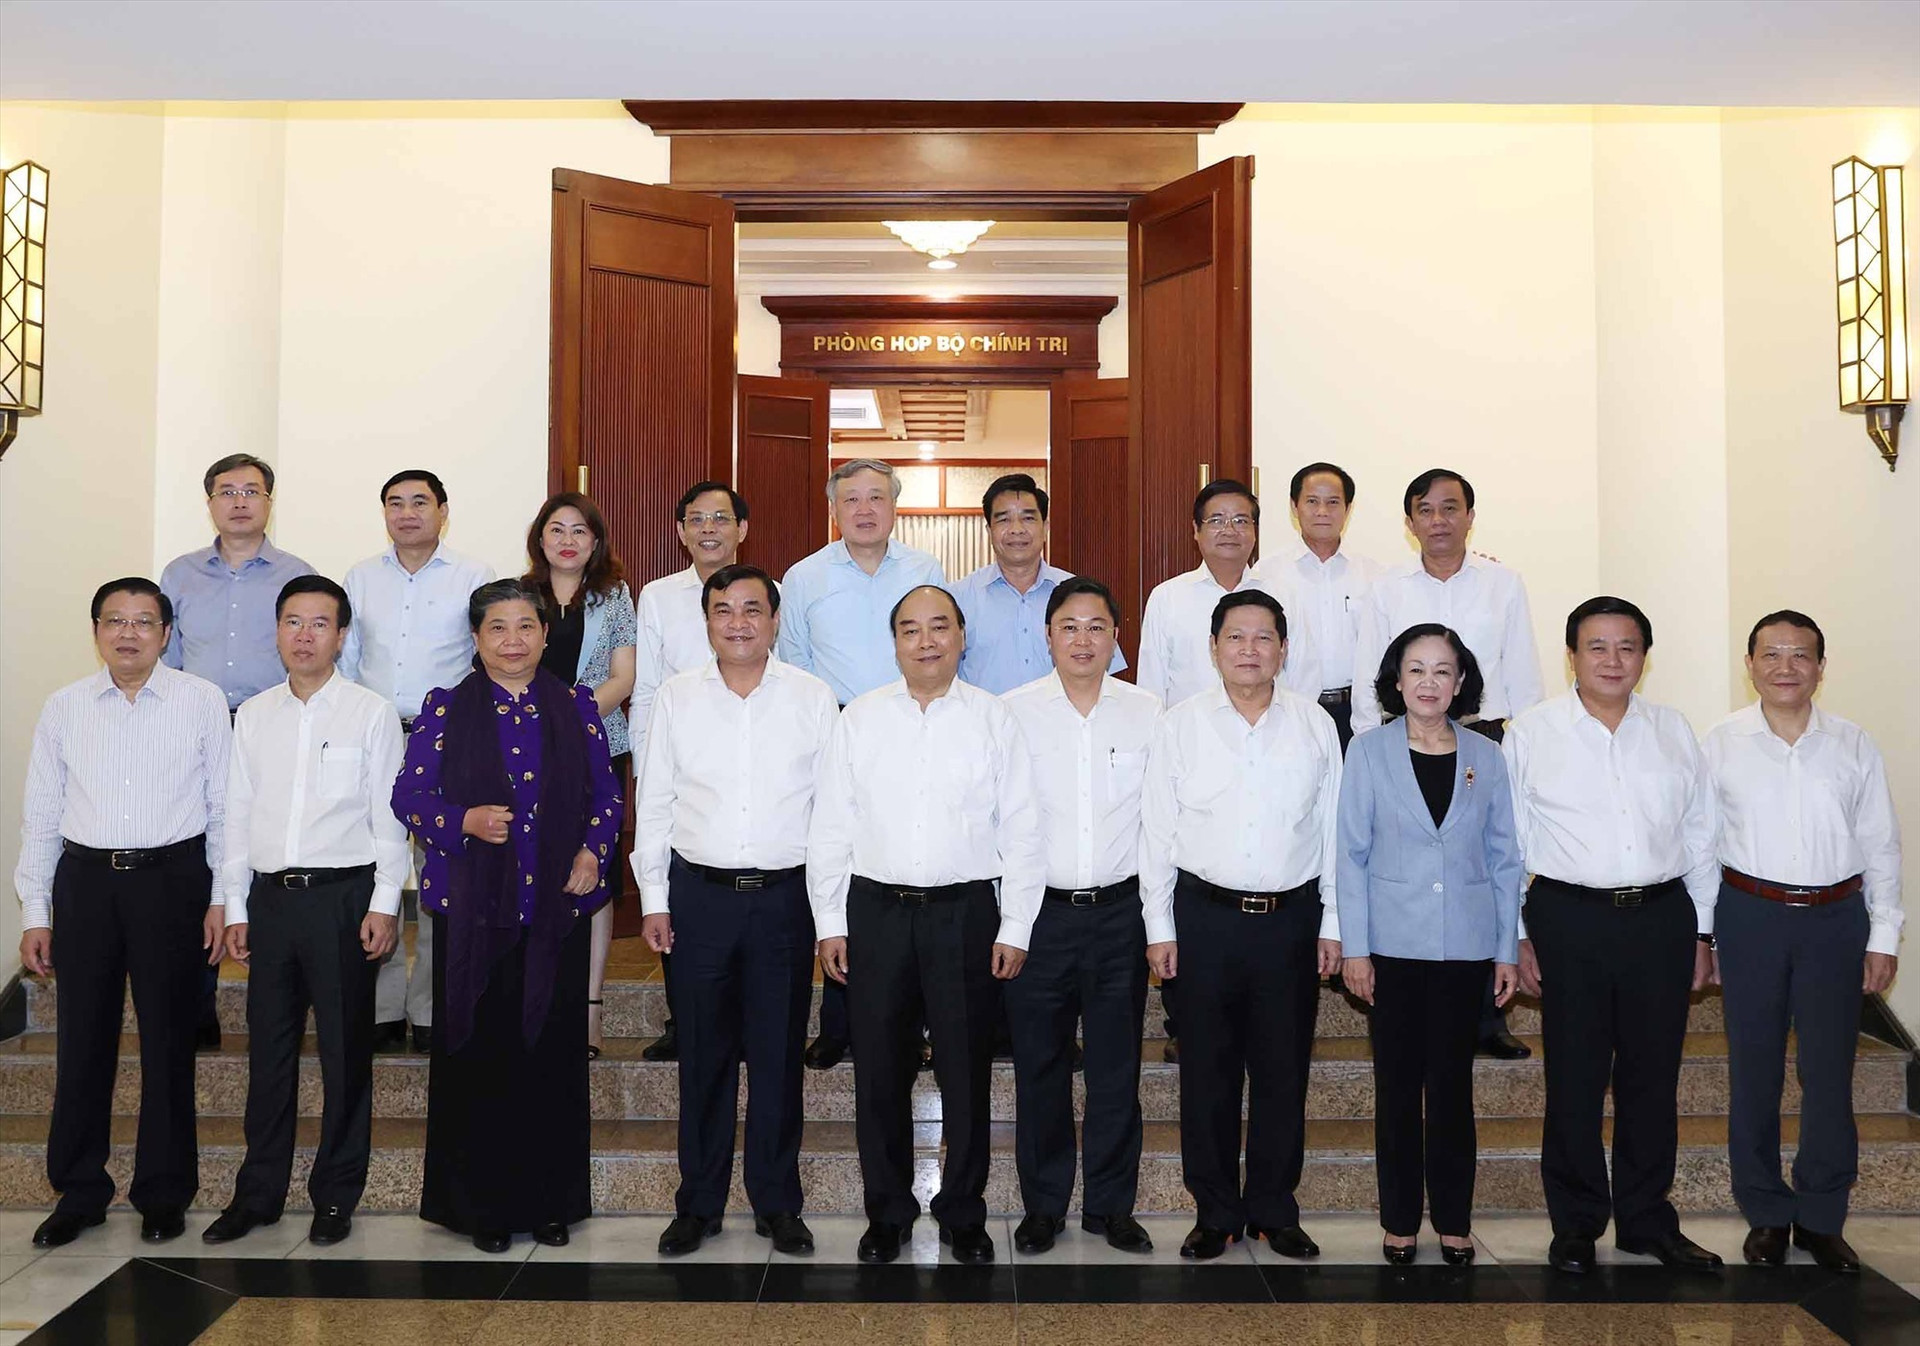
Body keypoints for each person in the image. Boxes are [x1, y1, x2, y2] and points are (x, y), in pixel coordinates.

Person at [807, 585, 1043, 1266]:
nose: (927, 640)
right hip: (876, 913)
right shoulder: (861, 720)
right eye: (911, 629)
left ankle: (963, 1211)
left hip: (965, 914)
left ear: (962, 636)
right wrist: (829, 922)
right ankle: (887, 1212)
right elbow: (831, 829)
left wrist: (1016, 925)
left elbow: (1023, 830)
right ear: (895, 643)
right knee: (879, 1072)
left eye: (940, 627)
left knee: (965, 1072)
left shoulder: (994, 720)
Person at [392, 579, 622, 1253]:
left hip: (555, 910)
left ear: (546, 636)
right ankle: (482, 1207)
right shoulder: (444, 708)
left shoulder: (576, 706)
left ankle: (550, 1204)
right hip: (472, 915)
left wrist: (592, 852)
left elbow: (606, 796)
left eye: (527, 626)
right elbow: (408, 794)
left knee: (549, 1063)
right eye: (498, 628)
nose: (514, 640)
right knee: (480, 1061)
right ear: (476, 638)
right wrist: (459, 819)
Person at [1507, 596, 1723, 1275]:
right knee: (1573, 1076)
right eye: (1597, 646)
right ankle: (1574, 1224)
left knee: (1652, 1078)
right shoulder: (1533, 731)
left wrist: (1704, 933)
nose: (1612, 660)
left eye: (1626, 647)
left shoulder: (1673, 730)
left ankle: (1646, 1219)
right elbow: (1507, 842)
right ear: (1572, 655)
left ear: (1644, 657)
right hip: (1568, 918)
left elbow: (1701, 834)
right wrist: (1516, 934)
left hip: (1661, 917)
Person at [16, 578, 230, 1249]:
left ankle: (164, 1193)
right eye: (115, 620)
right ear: (97, 631)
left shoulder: (201, 700)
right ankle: (79, 1190)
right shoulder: (64, 707)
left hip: (173, 880)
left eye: (144, 620)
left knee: (169, 1040)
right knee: (82, 1042)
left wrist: (224, 895)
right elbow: (42, 815)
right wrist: (34, 909)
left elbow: (225, 808)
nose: (129, 633)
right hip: (85, 883)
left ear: (166, 633)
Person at [634, 565, 837, 1258]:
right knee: (704, 1058)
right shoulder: (677, 698)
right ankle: (698, 1205)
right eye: (724, 611)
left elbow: (833, 815)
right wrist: (655, 898)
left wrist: (829, 914)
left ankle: (779, 1205)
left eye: (753, 609)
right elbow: (655, 802)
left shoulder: (812, 698)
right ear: (707, 622)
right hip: (699, 899)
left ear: (775, 621)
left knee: (779, 1057)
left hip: (784, 901)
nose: (740, 622)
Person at [204, 576, 406, 1248]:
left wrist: (384, 903)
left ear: (341, 636)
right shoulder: (255, 715)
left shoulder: (370, 713)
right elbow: (235, 815)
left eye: (320, 623)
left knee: (347, 1053)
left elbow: (388, 819)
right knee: (270, 1055)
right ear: (278, 631)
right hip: (270, 900)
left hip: (344, 899)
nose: (305, 635)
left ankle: (335, 1194)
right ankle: (257, 1194)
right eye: (293, 622)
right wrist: (234, 905)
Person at [1140, 590, 1341, 1262]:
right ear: (1214, 647)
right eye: (1235, 637)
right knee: (1208, 1073)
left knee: (1284, 1072)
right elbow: (1156, 833)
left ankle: (1273, 1209)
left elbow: (1333, 831)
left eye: (1263, 638)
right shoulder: (1180, 725)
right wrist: (1158, 927)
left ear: (1284, 649)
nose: (1249, 650)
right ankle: (1215, 1210)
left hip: (1290, 921)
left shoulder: (1315, 725)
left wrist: (1333, 923)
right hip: (1204, 919)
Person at [1705, 610, 1903, 1273]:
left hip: (1834, 919)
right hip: (1749, 915)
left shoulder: (1853, 744)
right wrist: (1704, 933)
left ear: (1821, 666)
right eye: (1772, 654)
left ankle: (1820, 1217)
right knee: (1753, 1070)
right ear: (1750, 663)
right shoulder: (1721, 741)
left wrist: (1885, 934)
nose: (1786, 666)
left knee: (1827, 1074)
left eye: (1801, 655)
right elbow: (1699, 845)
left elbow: (1881, 844)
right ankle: (1765, 1212)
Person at [1335, 623, 1523, 1265]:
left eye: (1442, 671)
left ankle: (1453, 1220)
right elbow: (1350, 856)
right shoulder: (1367, 751)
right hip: (1390, 947)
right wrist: (1354, 948)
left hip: (1465, 949)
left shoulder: (1486, 756)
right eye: (1416, 670)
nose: (1428, 683)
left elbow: (1504, 859)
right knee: (1396, 1089)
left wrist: (1507, 948)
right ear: (1395, 680)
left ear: (1461, 681)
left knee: (1452, 1089)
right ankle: (1398, 1222)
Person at [1351, 468, 1540, 1061]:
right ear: (1410, 522)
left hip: (1483, 737)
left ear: (1469, 517)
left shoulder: (1504, 583)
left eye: (1450, 508)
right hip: (1402, 740)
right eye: (1425, 510)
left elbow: (1525, 675)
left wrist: (1523, 750)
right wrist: (1371, 746)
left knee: (1480, 867)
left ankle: (1486, 1015)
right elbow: (1368, 676)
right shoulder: (1386, 589)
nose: (1439, 520)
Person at [1001, 577, 1160, 1256]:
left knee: (1117, 1066)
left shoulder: (1149, 712)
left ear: (1117, 637)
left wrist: (1160, 926)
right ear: (1047, 636)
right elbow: (1001, 824)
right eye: (1069, 626)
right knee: (1039, 1065)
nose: (1083, 640)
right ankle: (1043, 1206)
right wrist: (1007, 923)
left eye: (1097, 626)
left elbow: (1161, 827)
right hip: (1040, 918)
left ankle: (1110, 1206)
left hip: (1121, 914)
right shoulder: (1011, 712)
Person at [1136, 478, 1317, 1064]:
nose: (1229, 530)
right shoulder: (1168, 597)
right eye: (1216, 520)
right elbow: (1150, 687)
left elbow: (1301, 683)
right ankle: (1183, 1019)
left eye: (1242, 520)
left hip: (1272, 756)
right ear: (1196, 531)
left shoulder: (1282, 591)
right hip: (1192, 758)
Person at [779, 459, 944, 1070]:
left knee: (908, 872)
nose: (866, 509)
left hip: (913, 725)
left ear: (895, 505)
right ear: (835, 508)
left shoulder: (924, 571)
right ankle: (839, 1022)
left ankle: (918, 1023)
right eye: (853, 499)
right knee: (842, 871)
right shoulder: (804, 577)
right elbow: (794, 664)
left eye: (877, 496)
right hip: (838, 731)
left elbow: (941, 645)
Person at [160, 453, 314, 1050]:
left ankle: (276, 1009)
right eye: (228, 491)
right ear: (211, 502)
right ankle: (197, 1005)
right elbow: (164, 659)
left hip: (268, 727)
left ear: (270, 501)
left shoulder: (296, 574)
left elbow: (313, 652)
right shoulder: (178, 574)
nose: (240, 501)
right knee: (197, 862)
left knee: (266, 857)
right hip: (194, 727)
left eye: (252, 490)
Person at [341, 469, 495, 1054]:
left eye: (420, 503)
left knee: (439, 874)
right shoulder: (359, 577)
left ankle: (431, 1008)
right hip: (376, 734)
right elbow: (349, 661)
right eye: (395, 503)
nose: (407, 513)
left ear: (443, 511)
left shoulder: (474, 576)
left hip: (447, 739)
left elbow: (488, 657)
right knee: (376, 864)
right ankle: (380, 1007)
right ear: (384, 513)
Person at [629, 480, 758, 1063]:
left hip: (750, 765)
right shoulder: (656, 596)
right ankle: (687, 1019)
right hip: (680, 760)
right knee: (680, 888)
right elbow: (648, 688)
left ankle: (742, 1017)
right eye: (697, 519)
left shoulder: (766, 592)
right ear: (680, 532)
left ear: (742, 530)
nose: (709, 528)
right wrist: (646, 766)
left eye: (721, 518)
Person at [524, 492, 637, 1060]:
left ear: (595, 542)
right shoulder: (519, 595)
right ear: (540, 538)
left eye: (580, 531)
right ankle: (536, 997)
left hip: (597, 746)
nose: (568, 539)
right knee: (535, 867)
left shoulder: (614, 596)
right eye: (556, 529)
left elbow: (623, 674)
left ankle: (590, 1010)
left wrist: (575, 715)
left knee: (595, 872)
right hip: (525, 751)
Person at [952, 473, 1123, 695]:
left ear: (1046, 527)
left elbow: (1107, 673)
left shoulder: (1080, 596)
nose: (1016, 529)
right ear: (989, 530)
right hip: (986, 728)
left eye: (1028, 518)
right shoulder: (958, 598)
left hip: (1063, 727)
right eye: (1003, 519)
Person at [1262, 462, 1376, 752]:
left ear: (1348, 509)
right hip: (1290, 713)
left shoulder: (1375, 576)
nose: (1322, 511)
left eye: (1333, 502)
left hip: (1359, 715)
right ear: (1294, 506)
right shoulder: (1267, 574)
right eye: (1312, 501)